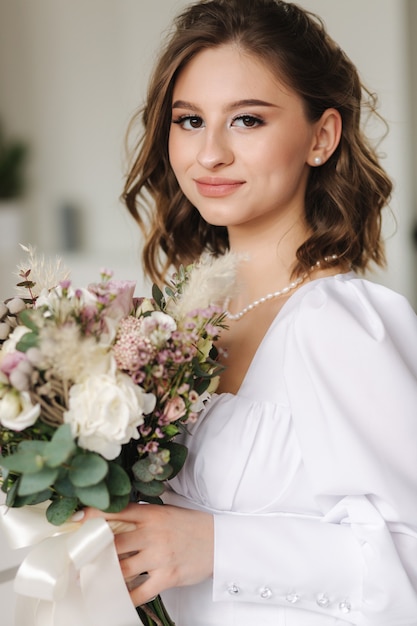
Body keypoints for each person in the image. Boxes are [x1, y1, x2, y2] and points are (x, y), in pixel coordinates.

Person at [84, 0, 417, 624]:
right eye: (189, 120)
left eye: (246, 121)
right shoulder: (176, 325)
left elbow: (410, 559)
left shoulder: (339, 322)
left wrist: (215, 546)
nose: (209, 153)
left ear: (321, 137)